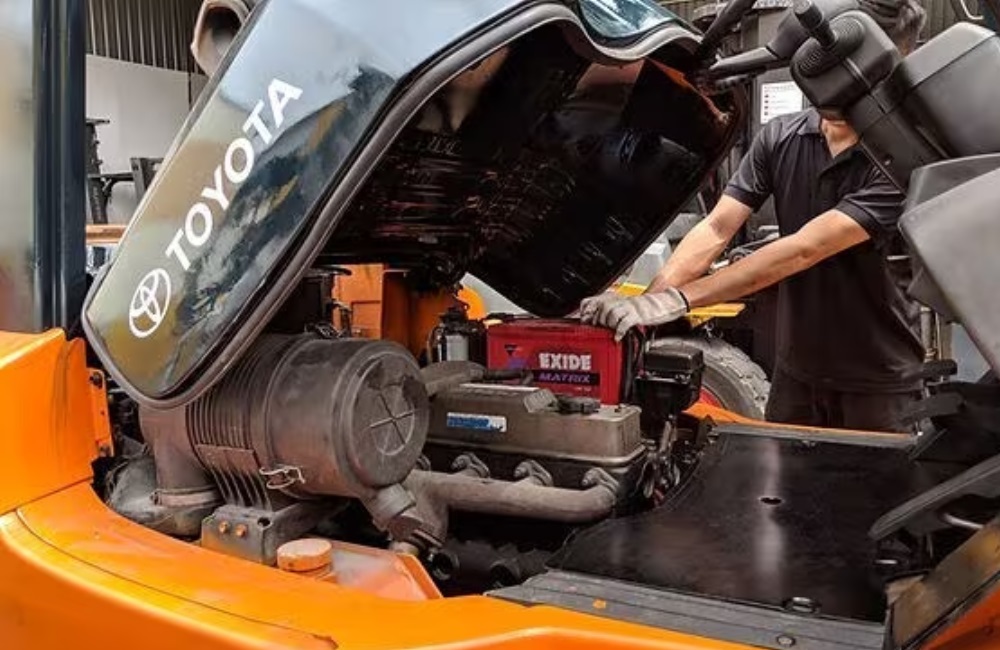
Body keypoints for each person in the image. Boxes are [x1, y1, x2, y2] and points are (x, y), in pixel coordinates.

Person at [581, 0, 928, 433]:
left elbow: (804, 249)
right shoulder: (780, 136)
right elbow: (716, 228)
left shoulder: (900, 159)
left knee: (880, 480)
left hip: (880, 382)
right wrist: (647, 304)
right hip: (796, 376)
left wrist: (676, 301)